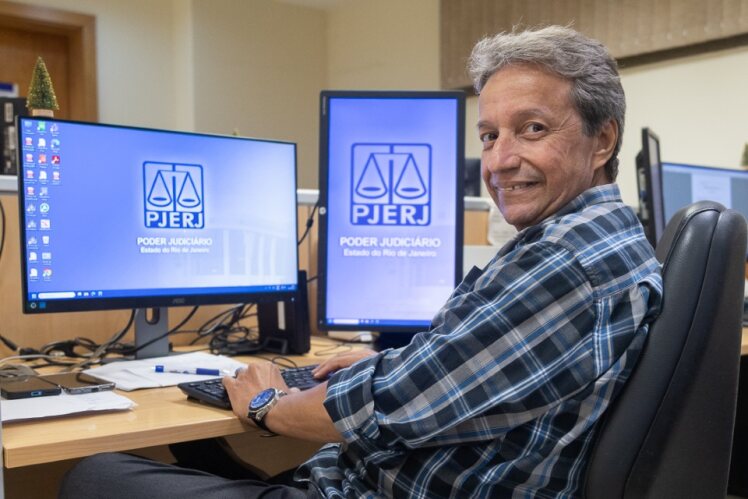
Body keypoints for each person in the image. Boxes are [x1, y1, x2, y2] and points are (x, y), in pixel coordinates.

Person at [59, 25, 663, 499]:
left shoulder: (564, 262)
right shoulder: (599, 238)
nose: (500, 160)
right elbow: (471, 371)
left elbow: (393, 407)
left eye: (531, 129)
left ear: (603, 140)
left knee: (95, 474)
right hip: (396, 476)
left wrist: (269, 406)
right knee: (191, 453)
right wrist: (396, 363)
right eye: (488, 135)